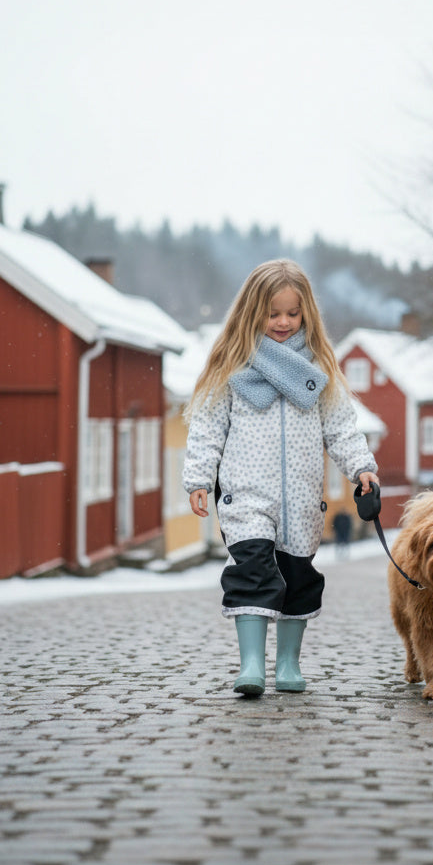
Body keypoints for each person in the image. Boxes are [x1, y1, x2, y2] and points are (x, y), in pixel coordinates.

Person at [184, 259, 379, 698]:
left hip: (303, 499)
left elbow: (342, 429)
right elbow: (206, 426)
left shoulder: (320, 371)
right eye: (273, 313)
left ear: (306, 314)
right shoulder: (231, 369)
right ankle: (251, 664)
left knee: (296, 577)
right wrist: (198, 477)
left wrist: (361, 468)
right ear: (253, 313)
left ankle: (287, 663)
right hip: (247, 495)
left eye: (293, 313)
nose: (283, 322)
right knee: (252, 570)